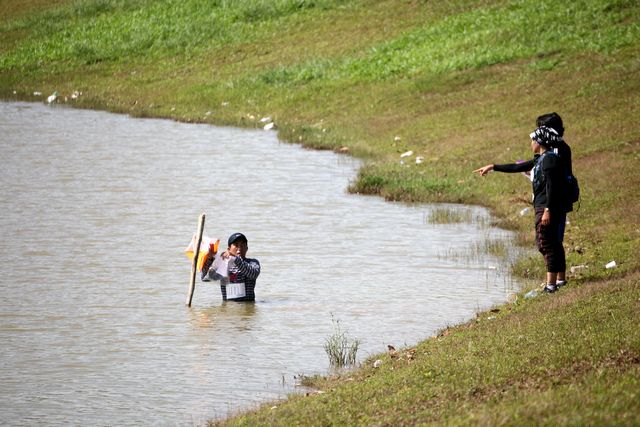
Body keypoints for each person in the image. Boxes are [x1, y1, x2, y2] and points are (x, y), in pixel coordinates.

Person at [473, 113, 573, 289]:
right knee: (554, 242)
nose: (531, 142)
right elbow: (519, 166)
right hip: (548, 202)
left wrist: (548, 209)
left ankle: (551, 285)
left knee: (547, 243)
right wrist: (494, 167)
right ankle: (559, 280)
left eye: (535, 136)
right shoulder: (543, 157)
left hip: (550, 203)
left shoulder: (552, 156)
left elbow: (552, 184)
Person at [202, 232, 261, 301]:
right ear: (229, 249)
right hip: (228, 306)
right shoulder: (223, 264)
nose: (239, 248)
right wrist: (210, 259)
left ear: (247, 248)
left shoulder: (252, 262)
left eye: (242, 245)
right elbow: (206, 278)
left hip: (247, 304)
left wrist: (235, 258)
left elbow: (253, 274)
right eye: (236, 245)